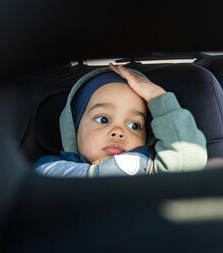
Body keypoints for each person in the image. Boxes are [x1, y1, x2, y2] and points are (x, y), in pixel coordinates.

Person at [34, 63, 207, 177]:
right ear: (74, 128)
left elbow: (189, 158)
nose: (119, 132)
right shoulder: (50, 168)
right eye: (103, 119)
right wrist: (121, 168)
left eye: (134, 125)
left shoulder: (150, 169)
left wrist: (157, 96)